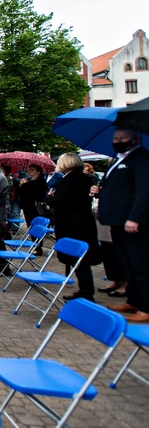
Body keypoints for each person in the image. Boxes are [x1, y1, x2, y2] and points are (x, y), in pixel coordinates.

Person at [96, 128, 149, 323]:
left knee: (140, 264)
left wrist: (135, 217)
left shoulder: (142, 158)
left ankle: (146, 306)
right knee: (126, 262)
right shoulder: (117, 158)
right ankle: (133, 299)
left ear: (135, 139)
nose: (118, 141)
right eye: (116, 137)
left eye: (123, 138)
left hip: (131, 221)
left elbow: (144, 191)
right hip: (116, 220)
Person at [44, 153, 99, 301]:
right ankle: (85, 290)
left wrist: (49, 197)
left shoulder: (70, 180)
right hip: (82, 222)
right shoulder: (84, 178)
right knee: (81, 261)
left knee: (79, 260)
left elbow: (60, 201)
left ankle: (86, 292)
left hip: (73, 224)